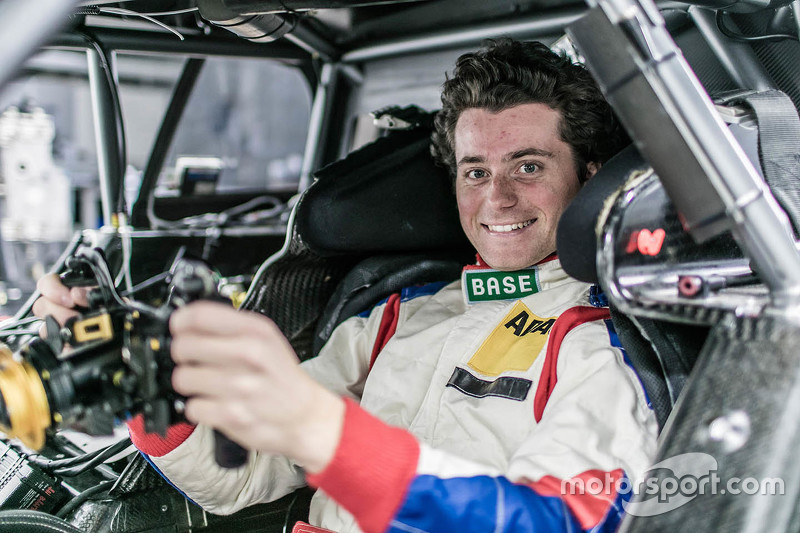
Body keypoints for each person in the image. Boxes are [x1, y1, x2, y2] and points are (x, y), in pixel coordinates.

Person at [35, 39, 656, 533]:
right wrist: (138, 385)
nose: (497, 197)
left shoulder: (599, 342)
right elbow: (243, 475)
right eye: (475, 171)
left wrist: (333, 439)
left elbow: (566, 521)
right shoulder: (397, 316)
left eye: (527, 166)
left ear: (590, 176)